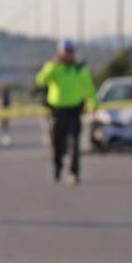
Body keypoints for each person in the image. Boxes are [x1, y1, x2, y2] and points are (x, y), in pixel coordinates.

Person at [35, 39, 97, 184]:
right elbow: (40, 80)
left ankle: (73, 172)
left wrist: (93, 103)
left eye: (71, 51)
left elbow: (89, 88)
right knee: (57, 142)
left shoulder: (79, 69)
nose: (68, 54)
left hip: (74, 109)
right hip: (57, 109)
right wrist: (53, 66)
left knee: (74, 141)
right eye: (66, 52)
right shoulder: (53, 67)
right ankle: (58, 166)